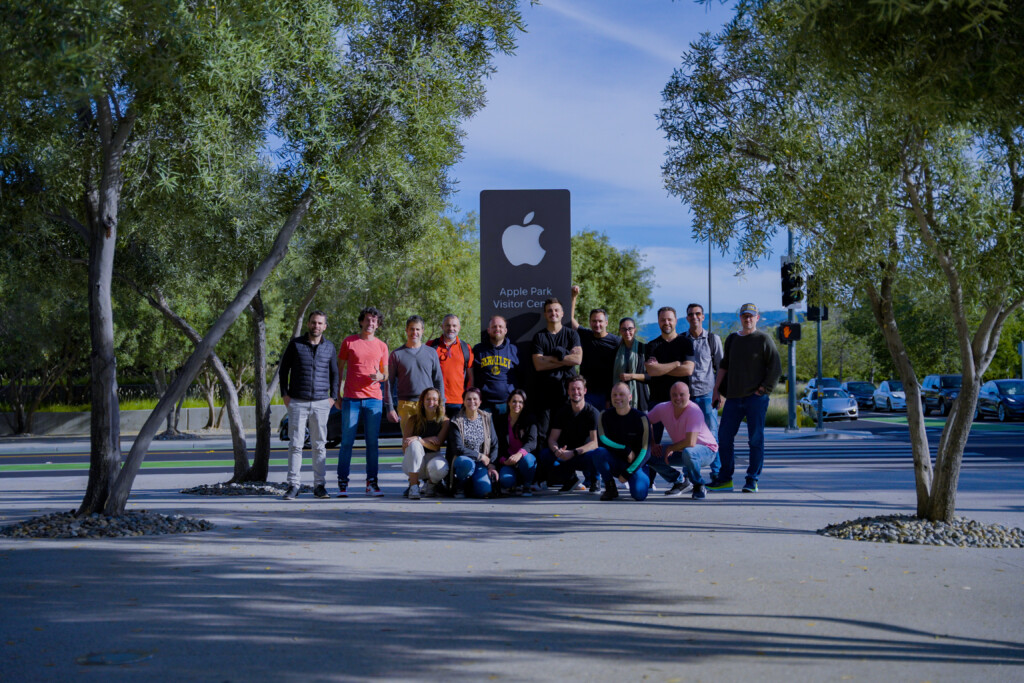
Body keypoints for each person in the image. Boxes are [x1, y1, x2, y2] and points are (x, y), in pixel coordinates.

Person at [711, 303, 782, 493]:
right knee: (724, 438)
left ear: (757, 318)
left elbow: (775, 367)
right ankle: (725, 479)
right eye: (744, 316)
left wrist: (763, 389)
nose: (748, 319)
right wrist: (716, 390)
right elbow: (723, 367)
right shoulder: (733, 339)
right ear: (740, 318)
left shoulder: (764, 339)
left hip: (755, 399)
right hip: (733, 398)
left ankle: (752, 480)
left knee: (755, 440)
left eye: (751, 316)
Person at [278, 310, 339, 500]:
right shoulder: (296, 345)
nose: (316, 326)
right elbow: (283, 370)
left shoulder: (329, 347)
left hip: (321, 402)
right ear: (308, 324)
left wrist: (333, 398)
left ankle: (319, 486)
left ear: (325, 326)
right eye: (314, 322)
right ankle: (293, 486)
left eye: (320, 323)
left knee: (319, 445)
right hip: (297, 401)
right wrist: (285, 395)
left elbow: (335, 374)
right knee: (295, 445)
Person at [336, 306, 389, 497]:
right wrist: (337, 395)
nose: (370, 323)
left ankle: (372, 483)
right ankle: (342, 484)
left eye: (374, 321)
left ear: (378, 324)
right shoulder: (349, 342)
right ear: (361, 321)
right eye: (367, 319)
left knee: (372, 443)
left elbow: (386, 374)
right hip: (351, 399)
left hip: (374, 400)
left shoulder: (382, 346)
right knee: (346, 442)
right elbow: (339, 369)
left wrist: (380, 375)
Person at [647, 381, 719, 500]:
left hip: (707, 451)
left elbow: (690, 442)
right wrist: (653, 443)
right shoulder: (662, 408)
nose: (678, 398)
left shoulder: (693, 411)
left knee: (689, 452)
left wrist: (670, 448)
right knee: (650, 454)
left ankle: (698, 484)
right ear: (670, 396)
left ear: (689, 396)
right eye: (674, 394)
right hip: (682, 450)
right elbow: (645, 421)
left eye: (682, 394)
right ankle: (679, 482)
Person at [591, 382, 652, 502]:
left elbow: (646, 451)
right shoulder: (604, 415)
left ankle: (639, 478)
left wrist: (628, 472)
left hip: (636, 465)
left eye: (621, 394)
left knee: (639, 495)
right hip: (616, 462)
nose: (617, 398)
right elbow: (602, 440)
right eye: (614, 395)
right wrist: (625, 450)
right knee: (599, 452)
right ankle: (610, 487)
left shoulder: (641, 418)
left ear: (630, 397)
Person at [538, 376, 600, 493]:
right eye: (572, 389)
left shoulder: (593, 413)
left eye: (579, 389)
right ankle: (570, 479)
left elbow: (594, 443)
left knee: (597, 454)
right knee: (545, 454)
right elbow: (552, 439)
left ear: (585, 391)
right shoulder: (562, 412)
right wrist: (557, 451)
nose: (575, 392)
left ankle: (595, 480)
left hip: (583, 454)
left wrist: (574, 452)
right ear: (568, 391)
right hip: (566, 454)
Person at [531, 297, 583, 438]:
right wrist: (565, 358)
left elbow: (577, 359)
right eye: (549, 311)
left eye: (556, 310)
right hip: (545, 394)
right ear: (545, 315)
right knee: (543, 432)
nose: (553, 313)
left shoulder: (572, 334)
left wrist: (549, 359)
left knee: (566, 431)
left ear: (562, 313)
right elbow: (539, 364)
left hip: (567, 393)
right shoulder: (539, 337)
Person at [387, 315, 445, 430]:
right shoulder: (396, 354)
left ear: (422, 331)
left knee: (429, 441)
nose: (414, 332)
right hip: (405, 405)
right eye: (411, 329)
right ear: (406, 330)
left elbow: (438, 380)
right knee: (409, 443)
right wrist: (390, 408)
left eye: (417, 329)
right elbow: (389, 382)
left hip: (429, 404)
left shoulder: (431, 353)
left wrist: (441, 403)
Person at [568, 285, 621, 410]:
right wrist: (573, 297)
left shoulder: (616, 341)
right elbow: (569, 320)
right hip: (587, 393)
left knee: (605, 428)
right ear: (590, 322)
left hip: (608, 394)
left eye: (600, 321)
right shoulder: (585, 335)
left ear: (606, 323)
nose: (597, 324)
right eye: (594, 321)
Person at [445, 387, 499, 498]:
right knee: (466, 464)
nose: (472, 402)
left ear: (480, 402)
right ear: (463, 401)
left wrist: (492, 464)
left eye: (475, 399)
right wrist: (480, 456)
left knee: (484, 490)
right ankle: (459, 486)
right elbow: (458, 448)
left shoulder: (487, 418)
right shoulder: (456, 420)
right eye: (468, 399)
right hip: (464, 460)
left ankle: (471, 485)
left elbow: (494, 443)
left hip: (480, 464)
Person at [401, 387, 450, 500]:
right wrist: (423, 441)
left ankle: (431, 484)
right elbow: (406, 445)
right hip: (413, 464)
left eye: (434, 399)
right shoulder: (413, 420)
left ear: (439, 402)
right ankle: (414, 486)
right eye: (428, 399)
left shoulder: (445, 421)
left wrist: (419, 439)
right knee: (414, 445)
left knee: (440, 466)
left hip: (433, 460)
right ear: (422, 401)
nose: (431, 402)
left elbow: (436, 445)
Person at [683, 303, 724, 433]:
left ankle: (714, 455)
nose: (694, 317)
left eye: (697, 314)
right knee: (688, 434)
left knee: (711, 433)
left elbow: (721, 367)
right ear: (687, 318)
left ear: (703, 317)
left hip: (707, 394)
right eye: (691, 314)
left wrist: (719, 392)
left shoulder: (713, 339)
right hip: (686, 395)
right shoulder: (681, 340)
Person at [428, 314, 474, 419]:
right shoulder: (431, 346)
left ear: (459, 328)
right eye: (448, 325)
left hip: (458, 401)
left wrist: (469, 397)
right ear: (442, 326)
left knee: (456, 434)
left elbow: (471, 376)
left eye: (454, 326)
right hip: (435, 401)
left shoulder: (466, 348)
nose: (451, 328)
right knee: (437, 434)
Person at [472, 315, 519, 416]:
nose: (497, 329)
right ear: (488, 330)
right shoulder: (478, 350)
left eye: (500, 326)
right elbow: (471, 373)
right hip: (484, 403)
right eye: (494, 327)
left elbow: (521, 374)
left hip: (507, 403)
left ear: (505, 330)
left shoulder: (514, 350)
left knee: (505, 432)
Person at [496, 389, 538, 496]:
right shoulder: (501, 421)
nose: (517, 404)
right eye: (514, 401)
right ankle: (514, 484)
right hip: (508, 460)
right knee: (505, 481)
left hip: (524, 458)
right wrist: (504, 461)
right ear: (509, 402)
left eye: (520, 402)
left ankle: (527, 485)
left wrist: (519, 454)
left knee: (528, 460)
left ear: (524, 404)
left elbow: (532, 442)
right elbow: (497, 445)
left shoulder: (530, 420)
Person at [613, 317, 650, 411]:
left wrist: (632, 376)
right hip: (619, 398)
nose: (627, 332)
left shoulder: (644, 349)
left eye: (630, 329)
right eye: (624, 329)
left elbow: (651, 376)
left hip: (640, 397)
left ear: (635, 330)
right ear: (620, 331)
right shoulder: (615, 351)